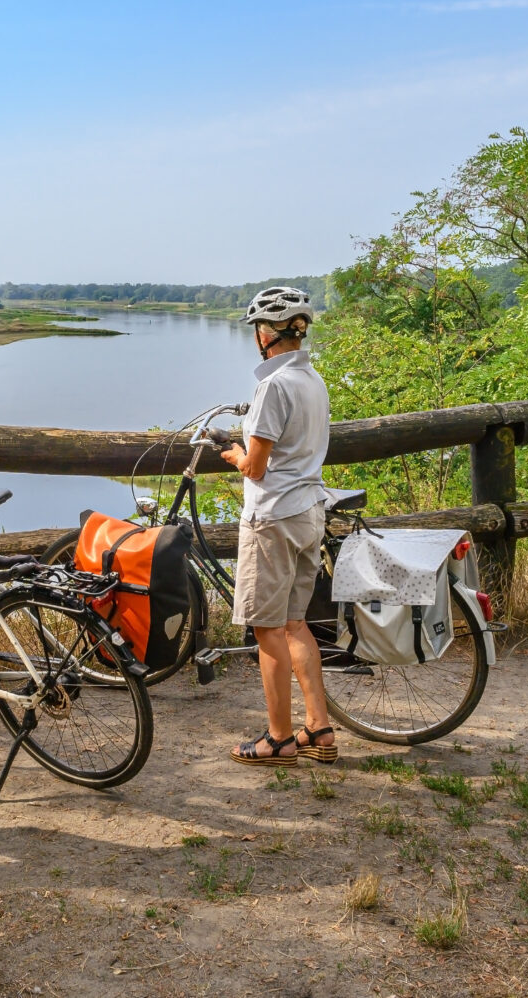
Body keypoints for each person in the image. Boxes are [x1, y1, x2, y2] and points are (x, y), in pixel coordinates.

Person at [217, 286, 336, 767]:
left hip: (273, 518)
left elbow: (256, 467)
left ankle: (279, 739)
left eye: (256, 329)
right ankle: (319, 729)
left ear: (266, 334)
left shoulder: (273, 386)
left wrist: (233, 453)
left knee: (266, 630)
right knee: (294, 624)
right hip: (309, 512)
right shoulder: (313, 380)